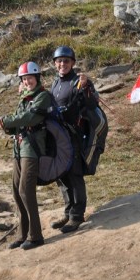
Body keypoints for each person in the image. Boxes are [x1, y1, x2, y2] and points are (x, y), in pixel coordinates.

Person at [0, 61, 51, 250]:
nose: (27, 82)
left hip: (32, 149)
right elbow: (16, 122)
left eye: (30, 78)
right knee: (16, 190)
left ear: (37, 78)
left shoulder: (43, 96)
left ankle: (36, 236)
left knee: (26, 190)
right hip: (19, 148)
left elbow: (29, 118)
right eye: (24, 79)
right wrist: (5, 125)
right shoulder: (24, 99)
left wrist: (5, 120)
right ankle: (22, 234)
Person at [49, 46, 98, 234]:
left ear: (73, 63)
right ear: (55, 64)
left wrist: (86, 87)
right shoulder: (55, 83)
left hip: (73, 135)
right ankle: (68, 212)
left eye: (66, 61)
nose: (63, 64)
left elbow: (92, 104)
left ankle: (77, 215)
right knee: (60, 174)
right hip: (56, 137)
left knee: (74, 174)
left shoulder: (79, 81)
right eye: (59, 61)